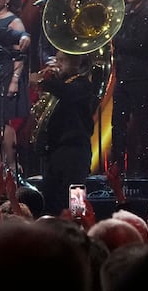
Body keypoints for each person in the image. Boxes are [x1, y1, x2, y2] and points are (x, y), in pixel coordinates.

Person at [111, 0, 148, 179]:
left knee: (142, 125)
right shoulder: (127, 12)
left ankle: (143, 173)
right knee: (118, 124)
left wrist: (114, 39)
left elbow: (139, 44)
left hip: (141, 78)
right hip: (124, 77)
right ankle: (116, 171)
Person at [34, 51, 98, 201]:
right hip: (55, 151)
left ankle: (79, 223)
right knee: (51, 200)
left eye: (62, 61)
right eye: (56, 60)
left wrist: (43, 82)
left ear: (74, 64)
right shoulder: (59, 87)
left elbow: (68, 93)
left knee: (76, 201)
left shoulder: (83, 85)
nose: (57, 64)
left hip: (75, 152)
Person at [0, 0, 32, 174]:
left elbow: (19, 54)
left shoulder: (14, 22)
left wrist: (14, 80)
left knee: (4, 121)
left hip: (7, 73)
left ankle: (11, 166)